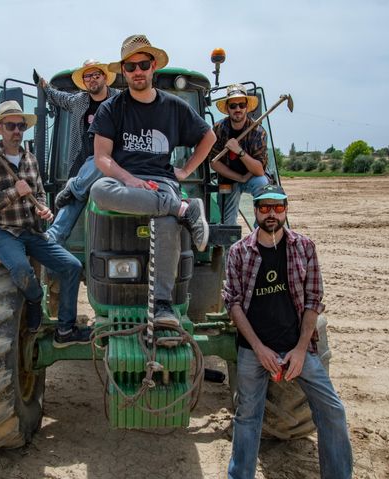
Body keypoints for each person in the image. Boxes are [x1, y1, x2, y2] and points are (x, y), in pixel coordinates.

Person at [223, 184, 355, 479]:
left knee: (332, 410)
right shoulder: (239, 252)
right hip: (255, 351)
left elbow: (313, 301)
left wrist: (299, 350)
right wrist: (259, 349)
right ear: (255, 211)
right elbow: (233, 303)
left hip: (297, 349)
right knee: (247, 417)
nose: (271, 213)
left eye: (277, 207)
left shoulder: (304, 248)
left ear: (286, 209)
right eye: (265, 207)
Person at [88, 34, 217, 328]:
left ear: (153, 66)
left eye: (142, 64)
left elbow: (209, 137)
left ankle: (162, 305)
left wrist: (184, 171)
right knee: (98, 189)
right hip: (124, 183)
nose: (137, 71)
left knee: (166, 221)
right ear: (123, 71)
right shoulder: (112, 108)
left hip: (161, 181)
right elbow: (102, 158)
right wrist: (128, 179)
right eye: (130, 67)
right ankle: (184, 209)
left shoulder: (173, 107)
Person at [0, 100, 91, 348]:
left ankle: (65, 330)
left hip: (32, 231)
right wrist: (13, 193)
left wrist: (43, 208)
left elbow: (39, 193)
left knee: (72, 266)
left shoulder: (31, 160)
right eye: (11, 125)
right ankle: (35, 301)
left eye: (20, 126)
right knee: (22, 269)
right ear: (0, 128)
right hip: (2, 232)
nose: (16, 130)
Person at [38, 60, 121, 245]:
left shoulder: (119, 100)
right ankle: (52, 240)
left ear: (105, 77)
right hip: (83, 164)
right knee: (72, 202)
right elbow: (58, 97)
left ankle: (74, 187)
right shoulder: (78, 101)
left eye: (96, 75)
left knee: (103, 161)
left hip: (111, 165)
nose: (92, 79)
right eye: (87, 76)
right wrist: (45, 87)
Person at [210, 83, 269, 226]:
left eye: (241, 105)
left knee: (263, 184)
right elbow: (213, 162)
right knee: (227, 220)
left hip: (251, 177)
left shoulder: (258, 132)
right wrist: (239, 178)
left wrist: (239, 151)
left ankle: (258, 236)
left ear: (247, 107)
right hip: (229, 178)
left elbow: (259, 170)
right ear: (227, 109)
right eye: (233, 106)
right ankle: (229, 245)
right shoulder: (218, 129)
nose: (238, 109)